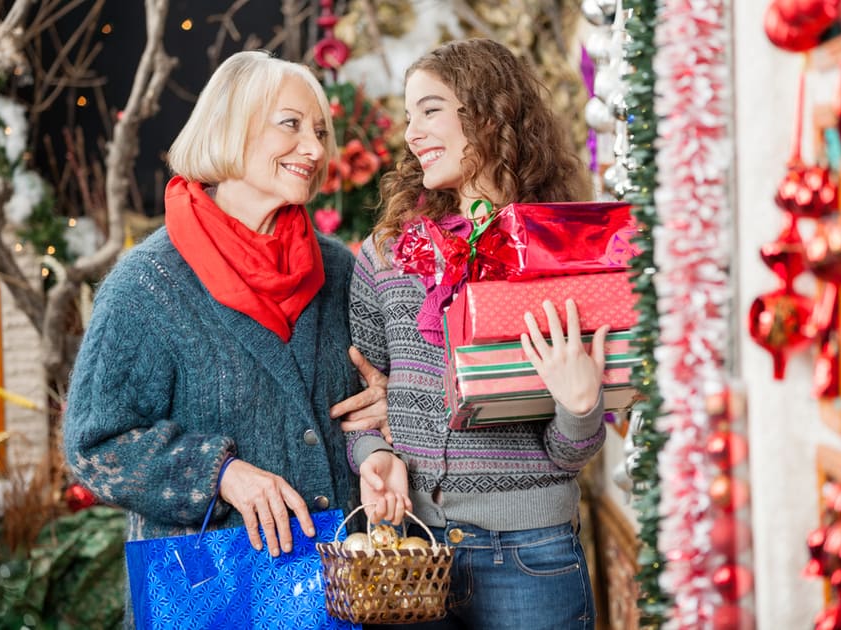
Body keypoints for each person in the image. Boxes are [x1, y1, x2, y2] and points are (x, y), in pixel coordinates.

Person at [61, 50, 395, 627]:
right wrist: (219, 473)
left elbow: (381, 408)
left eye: (319, 130)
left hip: (342, 594)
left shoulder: (341, 272)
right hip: (213, 598)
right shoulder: (148, 285)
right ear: (230, 127)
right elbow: (93, 446)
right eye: (290, 124)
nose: (315, 149)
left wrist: (393, 406)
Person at [346, 38, 610, 630]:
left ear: (490, 114)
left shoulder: (556, 251)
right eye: (409, 114)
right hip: (409, 552)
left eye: (431, 109)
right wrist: (376, 454)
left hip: (528, 552)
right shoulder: (387, 255)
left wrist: (581, 405)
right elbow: (357, 400)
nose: (412, 132)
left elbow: (569, 454)